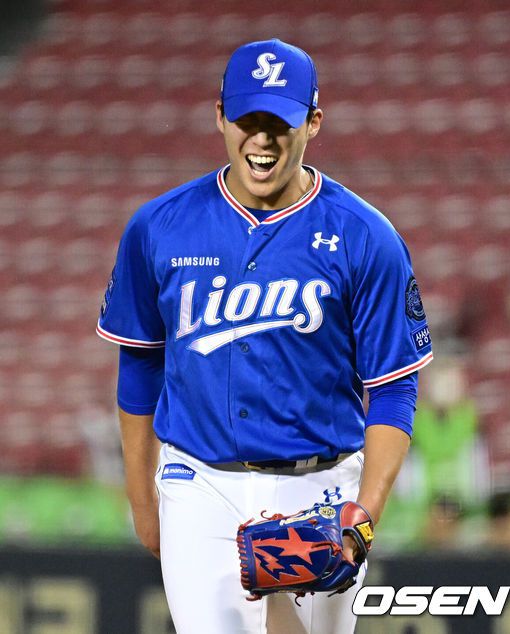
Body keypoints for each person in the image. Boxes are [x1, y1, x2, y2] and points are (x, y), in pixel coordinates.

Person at [97, 39, 433, 634]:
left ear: (313, 123)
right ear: (220, 117)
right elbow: (140, 365)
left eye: (279, 123)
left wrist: (363, 514)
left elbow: (393, 389)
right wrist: (143, 501)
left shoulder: (365, 237)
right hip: (199, 483)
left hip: (322, 487)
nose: (262, 139)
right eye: (248, 120)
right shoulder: (159, 227)